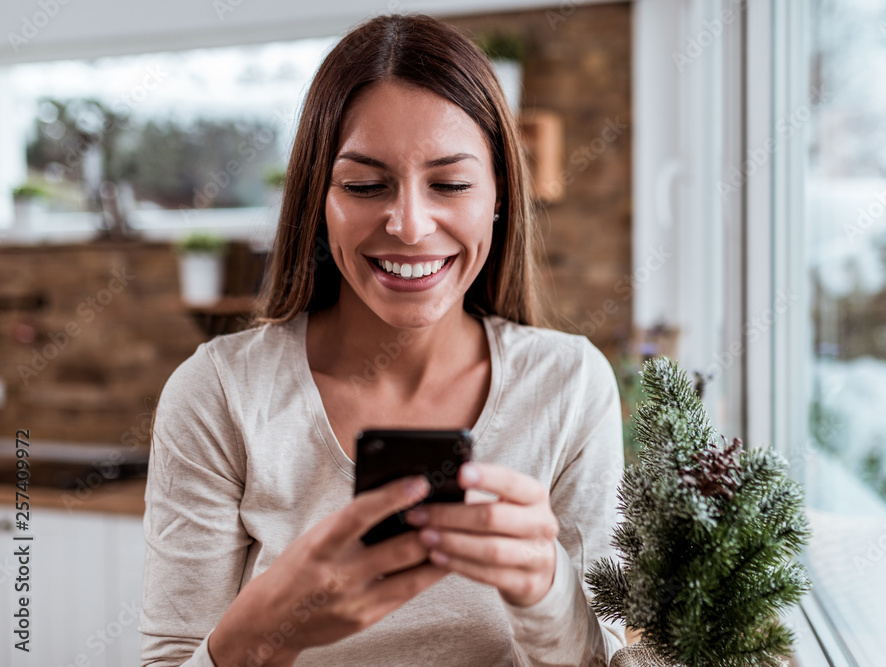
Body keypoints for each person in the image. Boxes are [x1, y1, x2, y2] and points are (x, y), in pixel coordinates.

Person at [139, 12, 626, 667]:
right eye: (365, 185)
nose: (409, 224)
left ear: (498, 195)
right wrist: (260, 633)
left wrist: (547, 590)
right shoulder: (219, 394)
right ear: (319, 198)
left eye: (450, 184)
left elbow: (605, 657)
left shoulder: (570, 386)